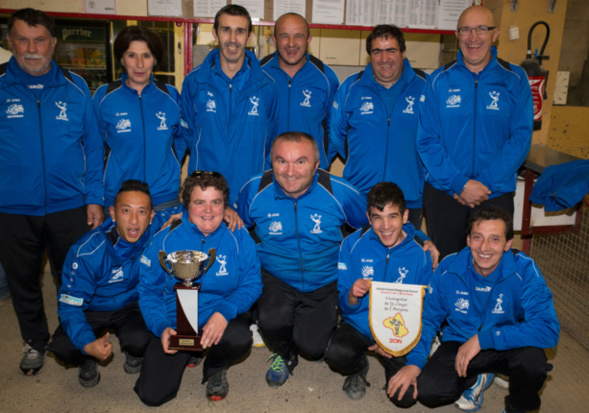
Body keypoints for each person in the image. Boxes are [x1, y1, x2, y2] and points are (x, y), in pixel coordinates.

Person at [0, 8, 104, 376]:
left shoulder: (76, 89)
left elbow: (93, 148)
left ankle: (81, 346)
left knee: (75, 280)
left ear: (53, 43)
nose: (31, 49)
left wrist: (94, 197)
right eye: (23, 39)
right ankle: (34, 341)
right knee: (23, 281)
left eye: (39, 39)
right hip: (12, 209)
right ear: (11, 42)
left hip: (70, 206)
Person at [387, 206, 560, 413]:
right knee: (429, 391)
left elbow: (548, 330)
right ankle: (475, 378)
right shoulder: (448, 268)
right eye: (478, 238)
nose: (484, 247)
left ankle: (515, 409)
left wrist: (483, 339)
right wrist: (415, 362)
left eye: (495, 239)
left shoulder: (524, 270)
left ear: (508, 244)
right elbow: (428, 319)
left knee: (533, 364)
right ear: (468, 240)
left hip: (507, 344)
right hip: (460, 343)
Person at [234, 131, 369, 388]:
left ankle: (352, 357)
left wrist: (420, 239)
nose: (290, 171)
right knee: (271, 321)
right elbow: (231, 221)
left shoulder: (338, 191)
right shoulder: (254, 189)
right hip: (276, 276)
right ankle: (284, 354)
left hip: (325, 279)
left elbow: (379, 223)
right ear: (270, 161)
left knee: (313, 347)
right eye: (281, 161)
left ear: (316, 165)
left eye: (300, 161)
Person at [135, 171, 262, 404]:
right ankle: (189, 349)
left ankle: (215, 365)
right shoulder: (165, 238)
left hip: (219, 314)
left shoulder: (238, 235)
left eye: (216, 202)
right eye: (199, 203)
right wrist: (162, 327)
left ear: (225, 205)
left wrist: (224, 312)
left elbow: (252, 283)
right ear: (186, 205)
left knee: (239, 337)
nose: (208, 211)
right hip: (177, 320)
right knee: (151, 395)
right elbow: (148, 290)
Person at [417, 5, 533, 259]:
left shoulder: (515, 79)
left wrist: (484, 184)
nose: (473, 37)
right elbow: (426, 140)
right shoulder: (438, 81)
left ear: (495, 34)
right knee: (446, 265)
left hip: (495, 193)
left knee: (489, 266)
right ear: (457, 35)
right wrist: (459, 183)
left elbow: (521, 137)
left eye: (482, 29)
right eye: (466, 30)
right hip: (446, 193)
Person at [325, 182, 433, 402]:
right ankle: (358, 368)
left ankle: (391, 366)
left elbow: (428, 313)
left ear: (405, 217)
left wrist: (399, 347)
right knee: (336, 353)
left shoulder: (422, 252)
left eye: (393, 216)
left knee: (407, 398)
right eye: (377, 217)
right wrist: (352, 295)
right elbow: (345, 307)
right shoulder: (351, 245)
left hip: (400, 333)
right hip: (361, 326)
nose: (385, 226)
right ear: (368, 217)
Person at [48, 181, 161, 388]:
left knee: (147, 335)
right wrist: (86, 343)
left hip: (132, 304)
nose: (134, 221)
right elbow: (69, 306)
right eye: (126, 211)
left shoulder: (156, 233)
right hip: (93, 307)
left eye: (142, 212)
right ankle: (87, 359)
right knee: (63, 347)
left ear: (151, 216)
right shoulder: (86, 252)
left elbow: (193, 212)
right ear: (113, 213)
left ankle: (135, 352)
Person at [330, 25, 427, 228]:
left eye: (391, 50)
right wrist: (362, 161)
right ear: (370, 55)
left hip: (408, 199)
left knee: (403, 258)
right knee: (358, 257)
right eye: (377, 52)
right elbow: (338, 135)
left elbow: (437, 139)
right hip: (360, 198)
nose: (384, 59)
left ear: (403, 53)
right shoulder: (350, 88)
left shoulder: (426, 86)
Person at [182, 4, 279, 205]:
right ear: (215, 34)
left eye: (240, 31)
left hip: (251, 196)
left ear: (249, 36)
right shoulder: (194, 83)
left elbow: (272, 142)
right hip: (206, 197)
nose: (233, 39)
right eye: (226, 30)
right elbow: (190, 136)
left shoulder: (267, 86)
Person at [93, 26, 187, 215]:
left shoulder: (171, 96)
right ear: (121, 59)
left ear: (155, 60)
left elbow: (181, 138)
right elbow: (93, 149)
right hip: (120, 200)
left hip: (164, 199)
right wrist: (95, 197)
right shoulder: (104, 97)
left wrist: (172, 164)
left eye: (146, 55)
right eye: (131, 55)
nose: (139, 64)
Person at [260, 12, 339, 169]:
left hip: (312, 174)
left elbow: (336, 129)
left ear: (308, 40)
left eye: (298, 36)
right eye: (284, 36)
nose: (291, 43)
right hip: (269, 172)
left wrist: (321, 160)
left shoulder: (326, 77)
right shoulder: (258, 74)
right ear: (274, 40)